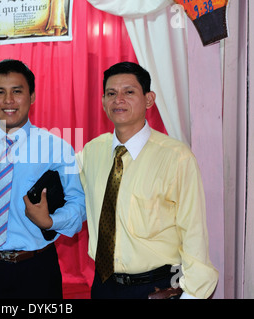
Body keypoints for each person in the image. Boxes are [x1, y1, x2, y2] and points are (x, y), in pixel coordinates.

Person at [0, 59, 86, 298]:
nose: (8, 100)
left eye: (17, 91)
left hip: (37, 269)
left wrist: (51, 221)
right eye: (0, 92)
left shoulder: (57, 147)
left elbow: (79, 204)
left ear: (32, 97)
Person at [76, 62, 219, 299]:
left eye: (129, 92)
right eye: (111, 93)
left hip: (157, 287)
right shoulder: (92, 151)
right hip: (103, 285)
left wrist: (190, 295)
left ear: (149, 99)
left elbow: (193, 233)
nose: (118, 99)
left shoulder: (176, 157)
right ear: (103, 102)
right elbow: (67, 186)